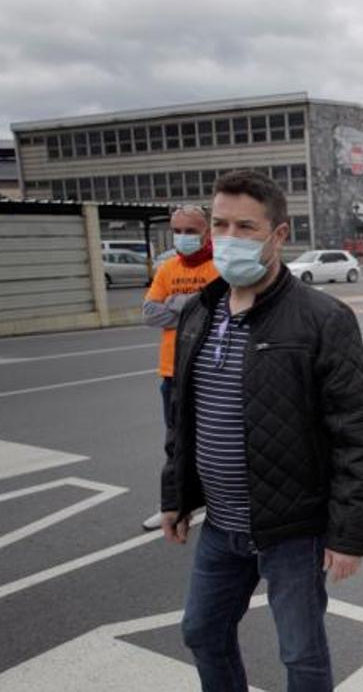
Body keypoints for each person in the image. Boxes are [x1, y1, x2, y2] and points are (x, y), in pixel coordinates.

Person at [161, 170, 363, 691]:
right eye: (220, 225)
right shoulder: (199, 311)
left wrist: (347, 536)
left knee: (300, 654)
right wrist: (175, 494)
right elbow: (182, 420)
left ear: (278, 235)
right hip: (221, 526)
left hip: (292, 532)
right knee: (201, 631)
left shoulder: (322, 319)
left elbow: (358, 435)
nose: (229, 238)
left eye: (246, 226)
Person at [140, 205, 219, 531]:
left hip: (210, 369)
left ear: (207, 232)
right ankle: (173, 504)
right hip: (172, 373)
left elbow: (218, 309)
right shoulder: (167, 268)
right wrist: (193, 304)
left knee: (218, 439)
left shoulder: (221, 267)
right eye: (177, 231)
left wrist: (174, 305)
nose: (182, 237)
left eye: (190, 230)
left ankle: (220, 502)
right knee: (176, 441)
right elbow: (149, 314)